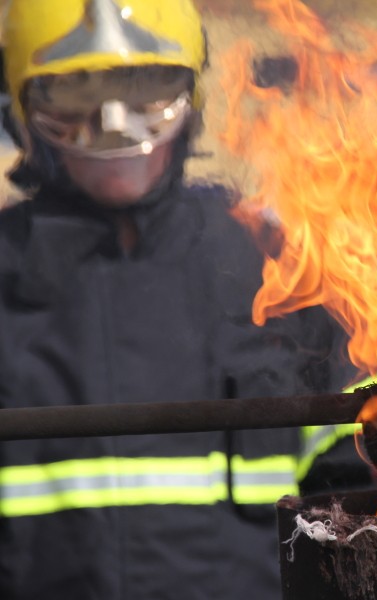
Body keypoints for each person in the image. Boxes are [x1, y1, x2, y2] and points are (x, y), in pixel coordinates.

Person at [0, 1, 355, 598]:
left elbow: (360, 487)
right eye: (74, 95)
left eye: (145, 90)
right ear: (22, 110)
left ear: (192, 98)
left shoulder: (279, 270)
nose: (114, 122)